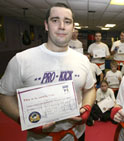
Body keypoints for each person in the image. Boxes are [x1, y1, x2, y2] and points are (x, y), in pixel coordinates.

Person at [0, 3, 96, 141]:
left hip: (76, 134)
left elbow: (90, 89)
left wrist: (86, 107)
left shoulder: (83, 60)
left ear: (73, 27)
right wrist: (24, 120)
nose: (62, 26)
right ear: (46, 25)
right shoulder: (22, 60)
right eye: (55, 20)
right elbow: (4, 96)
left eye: (67, 21)